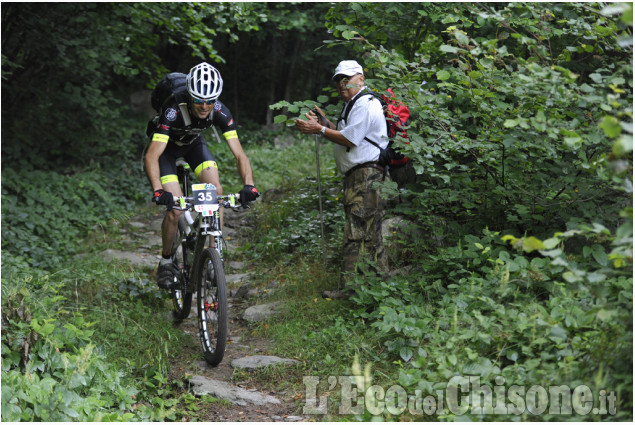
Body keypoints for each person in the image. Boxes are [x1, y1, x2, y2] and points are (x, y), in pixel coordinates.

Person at [145, 62, 259, 290]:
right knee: (175, 211)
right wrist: (158, 190)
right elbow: (152, 156)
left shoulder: (220, 111)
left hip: (193, 145)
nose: (205, 106)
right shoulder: (173, 110)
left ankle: (214, 252)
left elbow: (239, 154)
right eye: (199, 101)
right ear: (189, 95)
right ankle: (166, 260)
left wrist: (249, 185)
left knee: (216, 192)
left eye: (210, 101)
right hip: (166, 151)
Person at [295, 60, 389, 299]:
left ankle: (351, 290)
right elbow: (348, 133)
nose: (341, 84)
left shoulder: (366, 103)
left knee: (357, 234)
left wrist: (319, 130)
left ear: (361, 78)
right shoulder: (354, 105)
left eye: (346, 79)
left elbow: (351, 139)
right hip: (360, 176)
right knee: (367, 232)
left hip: (366, 176)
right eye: (338, 80)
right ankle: (377, 286)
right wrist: (325, 124)